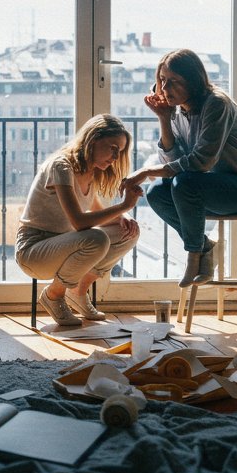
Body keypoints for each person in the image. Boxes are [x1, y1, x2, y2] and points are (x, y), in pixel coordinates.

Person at [121, 48, 237, 288]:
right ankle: (204, 247)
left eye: (173, 82)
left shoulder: (217, 104)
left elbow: (201, 162)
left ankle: (194, 256)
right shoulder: (179, 110)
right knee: (156, 192)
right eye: (161, 80)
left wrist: (147, 172)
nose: (165, 88)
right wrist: (164, 118)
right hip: (212, 188)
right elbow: (177, 159)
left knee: (185, 183)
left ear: (192, 82)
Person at [15, 114, 143, 326]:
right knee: (96, 238)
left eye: (119, 151)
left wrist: (125, 217)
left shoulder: (90, 172)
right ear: (92, 140)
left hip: (64, 245)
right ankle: (54, 295)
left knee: (128, 232)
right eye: (112, 147)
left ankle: (77, 291)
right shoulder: (61, 166)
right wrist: (124, 206)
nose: (115, 156)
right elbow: (80, 222)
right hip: (34, 250)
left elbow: (98, 214)